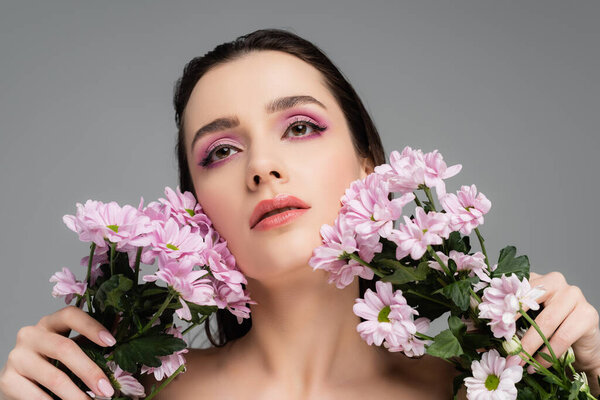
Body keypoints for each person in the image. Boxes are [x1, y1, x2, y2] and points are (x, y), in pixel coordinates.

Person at [1, 28, 599, 400]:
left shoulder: (491, 386)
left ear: (370, 167)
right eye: (221, 151)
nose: (261, 166)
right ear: (194, 212)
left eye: (301, 127)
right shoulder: (122, 393)